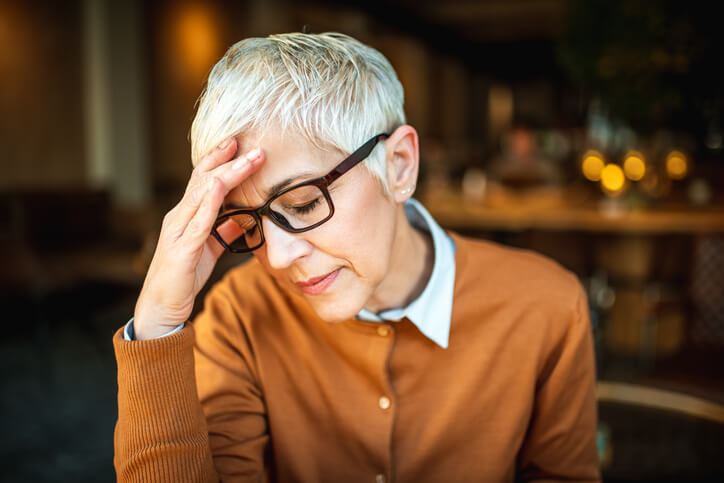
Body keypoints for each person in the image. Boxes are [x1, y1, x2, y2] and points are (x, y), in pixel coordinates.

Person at [114, 32, 600, 482]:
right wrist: (157, 325)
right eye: (248, 223)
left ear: (400, 165)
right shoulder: (240, 314)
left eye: (303, 203)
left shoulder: (546, 307)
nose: (279, 257)